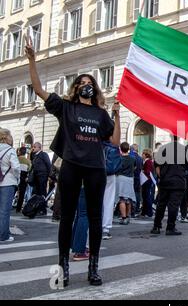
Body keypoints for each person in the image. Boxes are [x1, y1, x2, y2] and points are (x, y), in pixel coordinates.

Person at [26, 36, 120, 286]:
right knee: (67, 217)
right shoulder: (66, 107)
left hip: (95, 169)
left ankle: (93, 267)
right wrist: (32, 61)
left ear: (95, 89)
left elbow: (113, 139)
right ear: (76, 87)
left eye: (89, 83)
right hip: (71, 166)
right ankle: (63, 267)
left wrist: (117, 114)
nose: (85, 85)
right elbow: (38, 90)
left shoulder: (100, 114)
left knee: (95, 217)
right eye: (81, 83)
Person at [151, 136, 188, 235]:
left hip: (165, 180)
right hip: (178, 181)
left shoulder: (163, 148)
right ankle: (170, 227)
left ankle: (156, 227)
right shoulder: (184, 150)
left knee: (161, 204)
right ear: (179, 137)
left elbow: (156, 165)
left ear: (171, 137)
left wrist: (161, 176)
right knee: (173, 205)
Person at [0, 128, 20, 242]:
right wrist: (17, 177)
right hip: (7, 182)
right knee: (5, 211)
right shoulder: (10, 150)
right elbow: (16, 167)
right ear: (7, 137)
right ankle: (3, 235)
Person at [116, 142, 137, 225]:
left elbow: (116, 167)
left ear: (120, 149)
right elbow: (135, 167)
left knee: (122, 199)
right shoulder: (133, 158)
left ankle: (124, 217)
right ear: (128, 149)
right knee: (128, 199)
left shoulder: (119, 158)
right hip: (130, 178)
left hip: (121, 178)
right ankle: (128, 217)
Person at [31, 142, 51, 214]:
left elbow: (48, 164)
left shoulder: (43, 154)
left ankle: (43, 209)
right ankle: (37, 207)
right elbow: (32, 166)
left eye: (34, 147)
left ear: (39, 148)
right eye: (33, 147)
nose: (33, 148)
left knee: (42, 192)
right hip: (36, 176)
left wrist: (50, 175)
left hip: (42, 175)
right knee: (36, 192)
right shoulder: (34, 156)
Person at [16, 147, 31, 213]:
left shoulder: (16, 159)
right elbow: (29, 170)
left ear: (19, 152)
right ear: (25, 153)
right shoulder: (28, 161)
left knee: (13, 193)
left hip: (15, 178)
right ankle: (18, 209)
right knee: (21, 194)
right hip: (23, 179)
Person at [141, 148, 154, 217]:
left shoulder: (148, 161)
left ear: (146, 155)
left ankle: (149, 212)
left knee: (146, 196)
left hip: (146, 180)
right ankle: (144, 212)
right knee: (145, 196)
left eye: (143, 153)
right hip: (146, 180)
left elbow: (148, 171)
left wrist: (143, 171)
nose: (142, 155)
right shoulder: (147, 161)